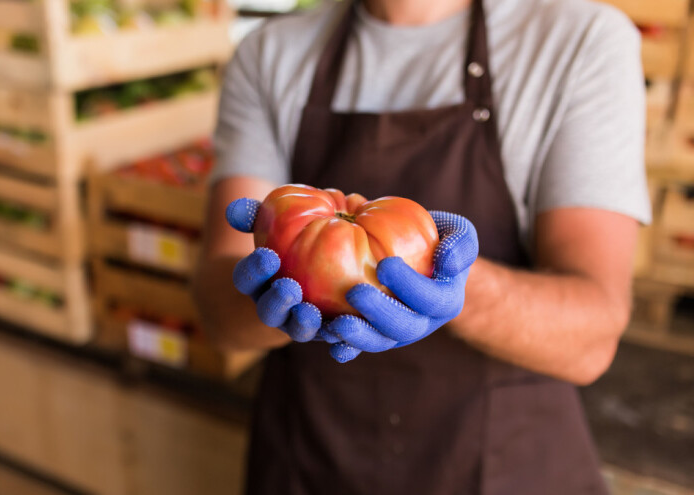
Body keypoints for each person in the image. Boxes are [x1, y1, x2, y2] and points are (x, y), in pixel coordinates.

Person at [192, 0, 651, 492]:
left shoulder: (578, 43)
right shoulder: (268, 53)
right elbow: (219, 315)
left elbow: (591, 338)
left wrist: (452, 285)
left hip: (501, 467)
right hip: (308, 460)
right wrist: (262, 296)